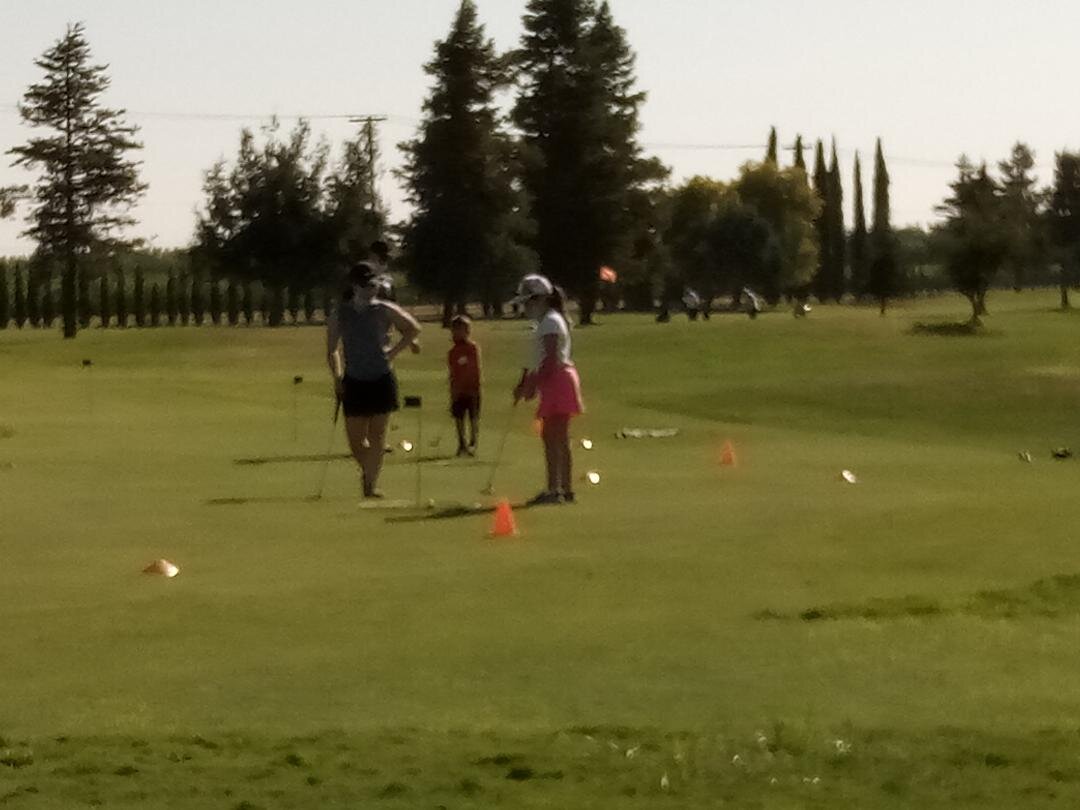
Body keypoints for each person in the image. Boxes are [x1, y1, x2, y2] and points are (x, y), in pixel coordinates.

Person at [326, 262, 421, 499]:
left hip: (381, 377)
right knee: (356, 442)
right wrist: (337, 377)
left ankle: (370, 485)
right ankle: (368, 472)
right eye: (365, 285)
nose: (370, 289)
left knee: (377, 436)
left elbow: (412, 329)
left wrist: (393, 352)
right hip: (354, 379)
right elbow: (332, 349)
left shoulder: (384, 309)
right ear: (354, 286)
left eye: (373, 284)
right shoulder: (341, 313)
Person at [512, 274, 584, 505]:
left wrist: (532, 385)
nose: (526, 307)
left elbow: (550, 360)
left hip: (558, 379)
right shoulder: (545, 322)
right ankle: (561, 488)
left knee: (556, 437)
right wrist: (526, 382)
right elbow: (537, 359)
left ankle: (557, 489)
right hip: (555, 380)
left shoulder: (551, 322)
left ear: (540, 299)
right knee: (553, 436)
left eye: (529, 302)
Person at [447, 315, 481, 457]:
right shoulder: (453, 352)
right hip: (458, 389)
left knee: (473, 416)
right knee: (459, 417)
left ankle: (473, 440)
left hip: (472, 388)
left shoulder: (472, 348)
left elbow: (473, 367)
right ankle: (462, 443)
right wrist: (453, 389)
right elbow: (453, 371)